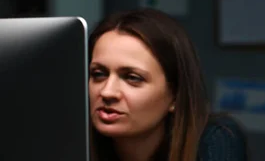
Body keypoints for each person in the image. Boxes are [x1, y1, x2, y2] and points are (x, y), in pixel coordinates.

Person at [88, 9, 248, 161]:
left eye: (132, 78)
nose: (107, 92)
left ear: (175, 96)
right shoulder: (71, 140)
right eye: (98, 74)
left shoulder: (214, 139)